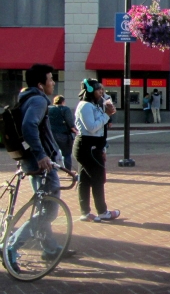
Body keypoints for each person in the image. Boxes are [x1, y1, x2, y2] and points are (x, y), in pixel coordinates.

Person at [5, 64, 76, 272]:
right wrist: (41, 154)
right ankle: (11, 247)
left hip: (34, 162)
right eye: (50, 79)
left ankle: (50, 247)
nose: (53, 83)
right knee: (48, 211)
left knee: (44, 206)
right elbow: (29, 126)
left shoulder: (26, 98)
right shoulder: (38, 100)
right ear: (40, 84)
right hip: (41, 164)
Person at [74, 78, 120, 222]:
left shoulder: (95, 104)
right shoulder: (85, 106)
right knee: (98, 178)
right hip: (87, 145)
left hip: (93, 145)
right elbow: (92, 127)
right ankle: (102, 211)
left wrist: (106, 102)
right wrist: (106, 115)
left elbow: (101, 127)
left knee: (86, 179)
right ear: (89, 90)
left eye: (102, 89)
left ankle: (85, 212)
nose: (101, 92)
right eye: (98, 89)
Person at [48, 95, 77, 171]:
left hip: (52, 134)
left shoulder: (50, 110)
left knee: (53, 153)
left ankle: (52, 170)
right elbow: (70, 121)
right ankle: (68, 170)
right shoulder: (65, 109)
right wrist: (75, 130)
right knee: (66, 154)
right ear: (63, 101)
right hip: (64, 134)